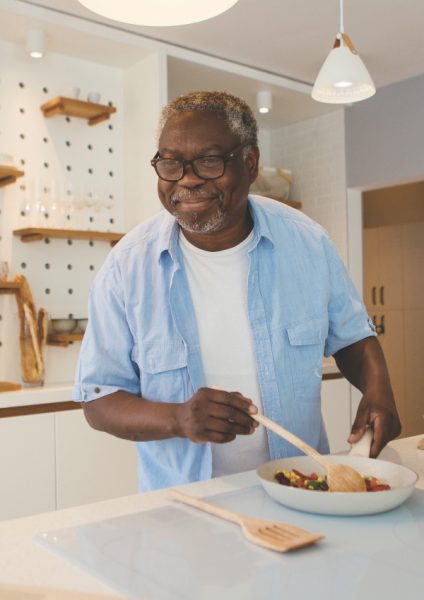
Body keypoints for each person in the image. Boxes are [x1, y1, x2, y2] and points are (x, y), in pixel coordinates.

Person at [73, 91, 401, 492]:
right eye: (171, 163)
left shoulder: (307, 243)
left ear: (249, 163)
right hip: (184, 507)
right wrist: (178, 418)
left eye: (209, 161)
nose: (187, 179)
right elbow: (99, 398)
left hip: (302, 490)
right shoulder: (127, 268)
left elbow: (353, 338)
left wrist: (378, 389)